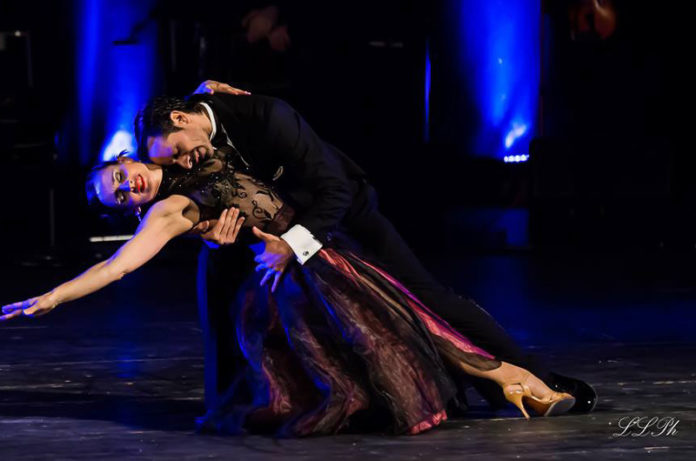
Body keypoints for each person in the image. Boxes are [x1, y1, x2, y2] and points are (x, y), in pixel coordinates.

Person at [1, 151, 576, 436]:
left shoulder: (190, 155)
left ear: (128, 157)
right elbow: (116, 267)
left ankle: (521, 386)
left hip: (320, 250)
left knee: (414, 328)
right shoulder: (167, 210)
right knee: (407, 336)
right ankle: (526, 387)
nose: (128, 187)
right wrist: (52, 297)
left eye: (119, 177)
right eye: (121, 197)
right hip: (303, 275)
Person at [134, 88, 598, 414]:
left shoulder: (266, 115)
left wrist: (293, 245)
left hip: (341, 214)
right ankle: (232, 402)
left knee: (423, 299)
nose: (183, 163)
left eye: (176, 152)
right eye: (171, 163)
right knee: (218, 283)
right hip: (280, 230)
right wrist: (214, 234)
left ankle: (537, 380)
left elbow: (334, 189)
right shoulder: (194, 130)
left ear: (182, 119)